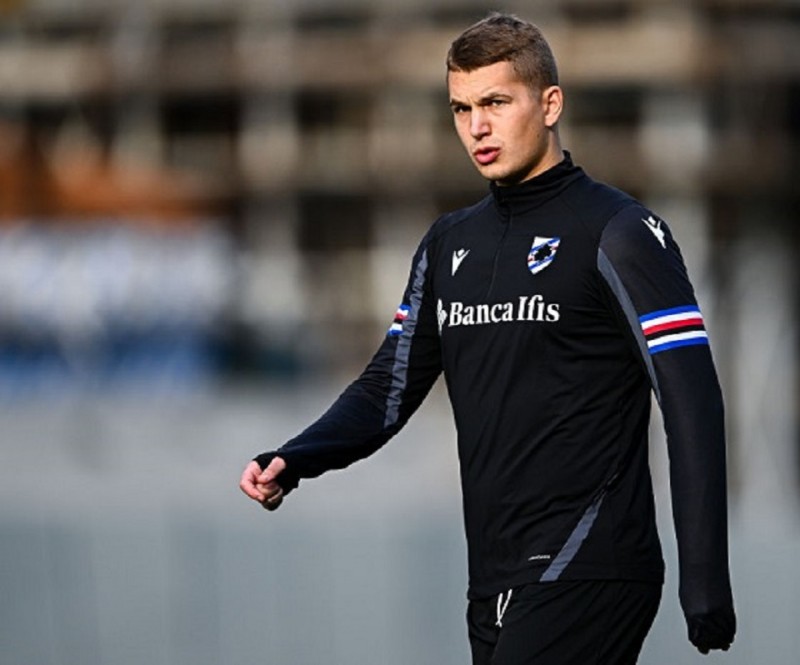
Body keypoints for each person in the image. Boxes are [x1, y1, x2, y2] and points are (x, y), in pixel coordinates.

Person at [240, 12, 735, 664]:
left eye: (496, 103)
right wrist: (298, 457)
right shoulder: (449, 244)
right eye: (462, 108)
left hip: (590, 565)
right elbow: (388, 388)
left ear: (550, 104)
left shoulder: (619, 232)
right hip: (493, 580)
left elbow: (691, 400)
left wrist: (705, 578)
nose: (477, 127)